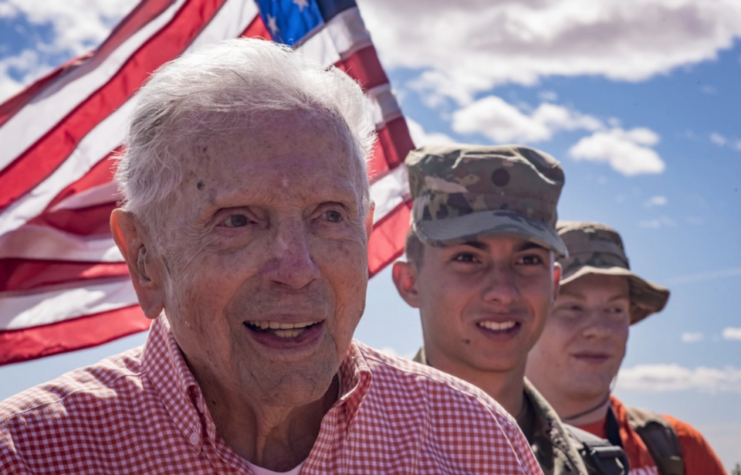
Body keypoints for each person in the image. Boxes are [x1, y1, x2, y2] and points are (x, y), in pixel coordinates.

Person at [0, 39, 542, 474]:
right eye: (238, 221)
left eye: (330, 216)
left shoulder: (476, 441)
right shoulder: (28, 454)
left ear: (366, 229)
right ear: (144, 258)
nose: (297, 269)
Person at [392, 144, 627, 475]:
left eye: (527, 260)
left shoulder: (593, 467)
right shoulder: (347, 452)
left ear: (555, 284)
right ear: (410, 282)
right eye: (467, 258)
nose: (503, 292)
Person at [526, 221, 728, 475]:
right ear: (526, 318)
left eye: (615, 309)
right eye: (573, 307)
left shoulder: (679, 448)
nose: (599, 330)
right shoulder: (481, 442)